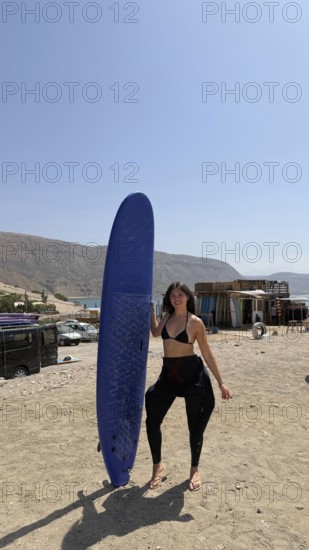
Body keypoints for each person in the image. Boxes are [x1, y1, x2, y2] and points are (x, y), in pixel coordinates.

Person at [146, 282, 231, 492]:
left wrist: (221, 382)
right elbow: (156, 333)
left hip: (192, 375)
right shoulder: (166, 316)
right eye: (172, 295)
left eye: (180, 295)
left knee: (194, 426)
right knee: (152, 420)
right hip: (169, 374)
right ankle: (158, 465)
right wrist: (149, 311)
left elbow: (207, 352)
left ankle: (194, 469)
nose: (176, 298)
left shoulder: (195, 322)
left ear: (187, 297)